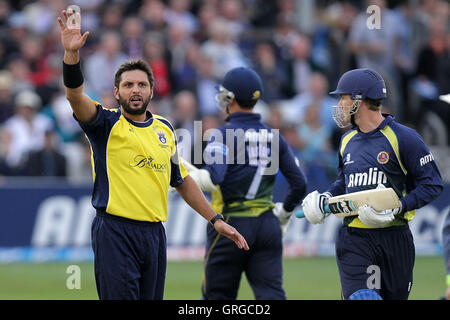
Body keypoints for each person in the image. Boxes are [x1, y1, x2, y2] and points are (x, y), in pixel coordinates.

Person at [57, 9, 248, 300]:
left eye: (142, 84)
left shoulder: (165, 129)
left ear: (151, 90)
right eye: (128, 85)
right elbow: (74, 95)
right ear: (117, 92)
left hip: (154, 235)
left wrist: (216, 219)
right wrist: (72, 54)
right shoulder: (105, 124)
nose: (135, 90)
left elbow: (181, 180)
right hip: (115, 233)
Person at [301, 68, 443, 300]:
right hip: (355, 238)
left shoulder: (404, 138)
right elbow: (344, 181)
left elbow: (432, 184)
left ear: (359, 100)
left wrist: (397, 207)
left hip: (395, 239)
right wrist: (326, 198)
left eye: (343, 98)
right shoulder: (346, 140)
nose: (339, 105)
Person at [185, 67, 307, 299]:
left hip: (230, 224)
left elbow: (214, 178)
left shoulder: (221, 135)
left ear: (230, 99)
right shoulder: (274, 136)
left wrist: (184, 176)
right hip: (267, 225)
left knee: (217, 297)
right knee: (271, 295)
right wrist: (283, 215)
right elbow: (299, 184)